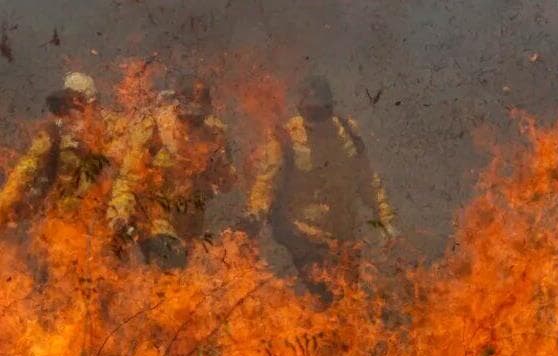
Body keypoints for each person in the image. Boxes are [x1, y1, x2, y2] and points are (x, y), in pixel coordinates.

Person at [247, 75, 397, 303]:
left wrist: (386, 219)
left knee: (346, 305)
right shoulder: (285, 138)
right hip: (303, 239)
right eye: (310, 111)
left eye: (320, 111)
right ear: (300, 108)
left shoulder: (347, 133)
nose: (315, 116)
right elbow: (266, 184)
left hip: (344, 240)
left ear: (330, 107)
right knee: (322, 301)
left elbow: (368, 181)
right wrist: (255, 214)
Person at [107, 75, 235, 269]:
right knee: (171, 263)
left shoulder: (213, 136)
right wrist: (119, 214)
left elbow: (225, 184)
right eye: (189, 115)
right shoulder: (156, 129)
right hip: (155, 221)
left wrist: (221, 165)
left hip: (190, 227)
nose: (193, 122)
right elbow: (128, 179)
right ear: (178, 106)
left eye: (199, 116)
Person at [0, 72, 116, 227]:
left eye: (90, 104)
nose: (84, 110)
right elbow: (25, 170)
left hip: (99, 221)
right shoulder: (53, 133)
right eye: (75, 103)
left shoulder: (108, 131)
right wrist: (4, 205)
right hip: (63, 223)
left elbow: (122, 176)